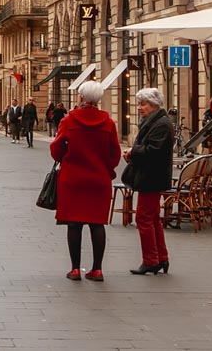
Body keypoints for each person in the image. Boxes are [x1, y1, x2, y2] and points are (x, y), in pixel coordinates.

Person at [50, 82, 121, 282]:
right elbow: (114, 153)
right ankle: (97, 269)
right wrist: (107, 170)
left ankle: (74, 269)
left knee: (74, 224)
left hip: (72, 179)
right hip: (99, 180)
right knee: (97, 223)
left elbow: (56, 149)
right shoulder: (108, 123)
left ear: (80, 97)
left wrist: (65, 156)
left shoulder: (68, 121)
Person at [122, 87, 174, 276]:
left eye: (143, 104)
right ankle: (161, 257)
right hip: (152, 176)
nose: (139, 107)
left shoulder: (160, 124)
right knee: (153, 219)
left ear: (153, 105)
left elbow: (153, 151)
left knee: (143, 218)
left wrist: (133, 152)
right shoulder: (155, 121)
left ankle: (151, 260)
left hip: (152, 177)